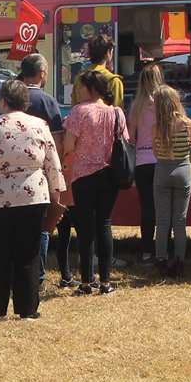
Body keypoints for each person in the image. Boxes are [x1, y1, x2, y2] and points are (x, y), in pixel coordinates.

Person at [0, 79, 66, 319]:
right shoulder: (39, 125)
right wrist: (55, 198)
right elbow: (53, 165)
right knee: (28, 253)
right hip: (32, 197)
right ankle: (27, 308)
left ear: (3, 101)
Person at [59, 70, 127, 294]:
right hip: (110, 175)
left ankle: (87, 281)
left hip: (84, 176)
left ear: (90, 88)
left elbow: (68, 145)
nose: (77, 91)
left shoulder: (79, 112)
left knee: (86, 229)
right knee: (105, 224)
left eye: (80, 87)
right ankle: (106, 281)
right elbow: (125, 140)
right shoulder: (116, 112)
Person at [19, 53, 65, 281]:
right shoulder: (48, 101)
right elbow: (57, 140)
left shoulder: (10, 98)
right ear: (42, 73)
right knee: (41, 226)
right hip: (41, 173)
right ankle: (38, 275)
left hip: (12, 173)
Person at [152, 84, 191, 277]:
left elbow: (155, 152)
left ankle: (161, 259)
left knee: (162, 221)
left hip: (162, 169)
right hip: (183, 170)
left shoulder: (157, 127)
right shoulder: (189, 124)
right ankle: (179, 260)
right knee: (180, 220)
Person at [128, 63, 163, 261]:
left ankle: (147, 251)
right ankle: (163, 250)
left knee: (147, 207)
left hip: (142, 162)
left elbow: (131, 137)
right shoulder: (165, 102)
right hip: (162, 160)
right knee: (164, 208)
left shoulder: (136, 105)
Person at [84, 33, 124, 106]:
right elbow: (117, 112)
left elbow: (74, 108)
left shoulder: (80, 79)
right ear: (108, 53)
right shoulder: (114, 81)